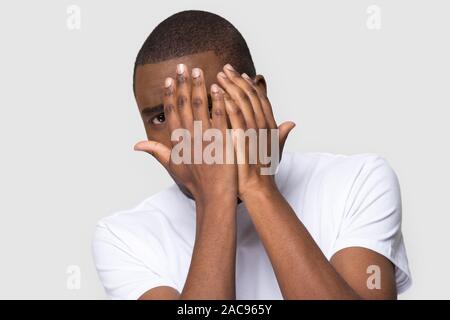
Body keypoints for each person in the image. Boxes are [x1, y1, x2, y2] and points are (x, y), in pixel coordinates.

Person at [92, 10, 411, 300]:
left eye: (207, 104)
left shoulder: (358, 181)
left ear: (255, 95)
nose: (187, 133)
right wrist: (215, 198)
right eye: (161, 117)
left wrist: (259, 188)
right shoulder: (124, 237)